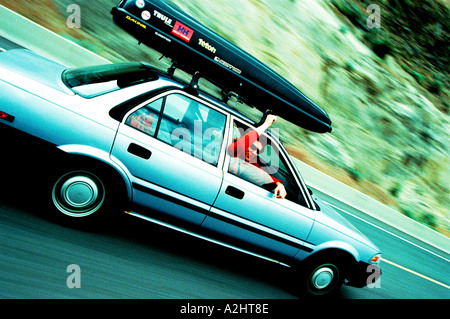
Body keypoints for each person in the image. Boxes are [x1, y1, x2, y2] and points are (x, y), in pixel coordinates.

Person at [228, 114, 287, 199]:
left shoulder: (251, 161)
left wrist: (279, 184)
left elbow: (261, 174)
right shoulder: (234, 148)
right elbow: (242, 144)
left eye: (258, 151)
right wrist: (266, 124)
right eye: (252, 147)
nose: (254, 153)